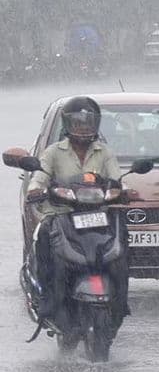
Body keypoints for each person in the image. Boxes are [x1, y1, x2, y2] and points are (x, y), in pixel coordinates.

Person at [26, 96, 125, 320]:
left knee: (122, 242)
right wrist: (37, 189)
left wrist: (125, 191)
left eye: (88, 122)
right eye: (78, 122)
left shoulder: (105, 152)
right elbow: (39, 177)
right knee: (43, 237)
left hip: (99, 217)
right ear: (68, 124)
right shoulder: (53, 152)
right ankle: (48, 297)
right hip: (61, 214)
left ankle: (121, 301)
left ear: (96, 124)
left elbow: (117, 179)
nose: (83, 127)